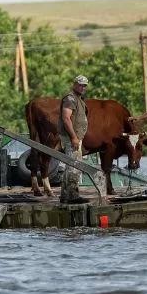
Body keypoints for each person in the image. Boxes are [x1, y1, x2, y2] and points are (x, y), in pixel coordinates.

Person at [58, 74, 105, 204]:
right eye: (80, 84)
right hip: (72, 138)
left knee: (70, 166)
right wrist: (73, 137)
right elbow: (66, 118)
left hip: (76, 137)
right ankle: (72, 196)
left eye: (85, 85)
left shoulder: (78, 99)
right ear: (74, 84)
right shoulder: (70, 98)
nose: (83, 87)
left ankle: (65, 196)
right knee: (74, 166)